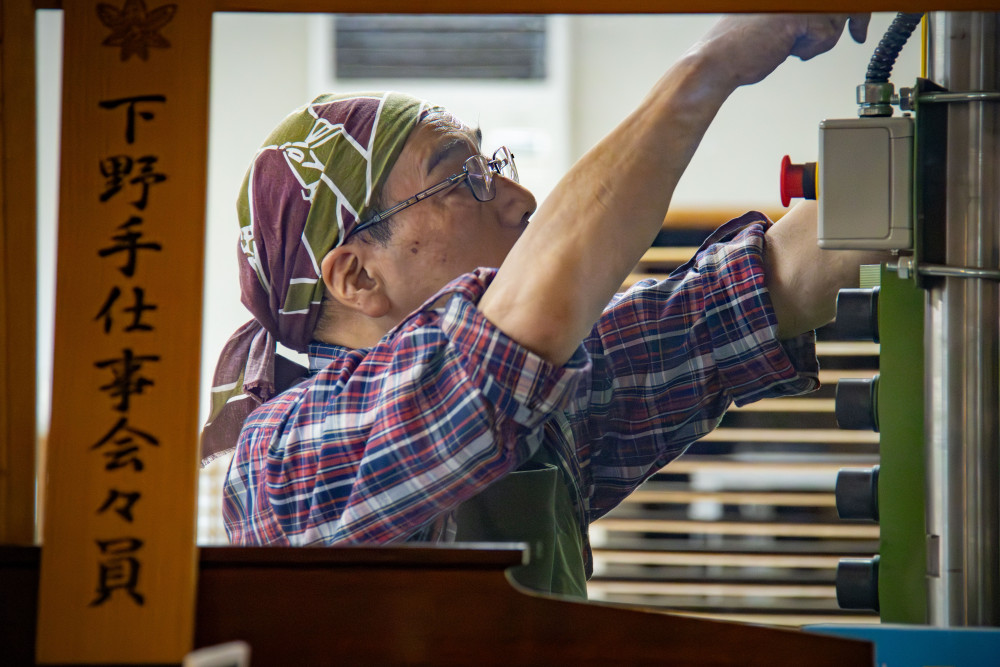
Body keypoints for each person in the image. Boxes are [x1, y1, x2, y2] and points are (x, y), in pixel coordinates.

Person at [202, 13, 881, 597]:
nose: (519, 199)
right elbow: (501, 346)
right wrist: (714, 61)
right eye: (462, 179)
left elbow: (737, 301)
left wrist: (913, 177)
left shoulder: (543, 399)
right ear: (357, 277)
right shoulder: (283, 460)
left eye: (491, 165)